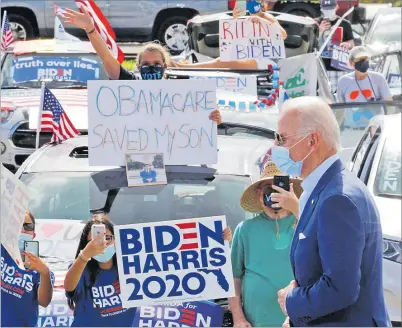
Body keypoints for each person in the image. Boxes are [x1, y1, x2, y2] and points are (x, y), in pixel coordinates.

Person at [271, 96, 390, 327]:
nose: (276, 147)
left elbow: (340, 288)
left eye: (281, 138)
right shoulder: (323, 190)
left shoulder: (337, 198)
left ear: (312, 141)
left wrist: (292, 302)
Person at [65, 214, 233, 327]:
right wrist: (85, 256)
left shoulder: (134, 266)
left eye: (108, 237)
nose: (103, 243)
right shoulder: (81, 269)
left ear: (117, 240)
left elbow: (184, 266)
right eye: (94, 239)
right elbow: (69, 286)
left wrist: (218, 241)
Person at [62, 7, 221, 125]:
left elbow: (197, 123)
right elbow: (107, 57)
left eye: (156, 63)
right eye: (146, 64)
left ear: (165, 66)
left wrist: (213, 118)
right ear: (138, 67)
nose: (151, 67)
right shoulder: (129, 84)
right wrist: (90, 30)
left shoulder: (181, 92)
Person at [229, 161, 302, 327]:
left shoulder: (304, 224)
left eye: (278, 186)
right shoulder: (245, 229)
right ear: (259, 193)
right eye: (268, 188)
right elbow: (233, 278)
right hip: (256, 322)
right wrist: (238, 317)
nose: (273, 193)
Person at [172, 5, 287, 71]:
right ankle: (184, 66)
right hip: (250, 58)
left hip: (267, 61)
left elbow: (283, 35)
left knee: (222, 62)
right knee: (222, 60)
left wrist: (262, 20)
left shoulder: (266, 16)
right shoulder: (243, 16)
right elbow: (236, 40)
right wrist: (235, 20)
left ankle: (183, 67)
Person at [1, 211, 54, 327]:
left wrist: (45, 273)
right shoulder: (2, 252)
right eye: (17, 225)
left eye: (28, 226)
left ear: (33, 235)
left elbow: (44, 302)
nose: (22, 230)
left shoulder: (42, 268)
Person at [316, 0, 354, 92]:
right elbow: (311, 46)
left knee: (341, 95)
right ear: (321, 8)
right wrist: (319, 31)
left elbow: (352, 44)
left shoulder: (345, 23)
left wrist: (348, 45)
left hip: (340, 67)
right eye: (326, 9)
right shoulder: (316, 23)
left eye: (331, 8)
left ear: (337, 6)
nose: (328, 11)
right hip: (322, 67)